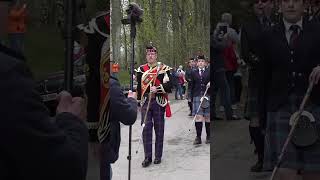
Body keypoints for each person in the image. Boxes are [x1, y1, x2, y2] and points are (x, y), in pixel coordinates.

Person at [0, 2, 88, 179]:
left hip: (18, 32)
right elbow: (63, 169)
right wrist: (70, 121)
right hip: (16, 33)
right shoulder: (8, 76)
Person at [259, 0, 320, 179]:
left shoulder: (318, 30)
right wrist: (262, 117)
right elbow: (263, 78)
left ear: (304, 5)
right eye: (286, 1)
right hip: (280, 106)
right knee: (285, 172)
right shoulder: (268, 35)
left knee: (314, 170)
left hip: (314, 103)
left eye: (296, 1)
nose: (291, 5)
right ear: (280, 6)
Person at [240, 0, 275, 172]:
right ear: (253, 7)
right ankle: (261, 158)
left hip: (278, 77)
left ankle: (276, 156)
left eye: (264, 1)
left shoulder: (279, 22)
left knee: (275, 118)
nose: (261, 5)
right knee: (256, 119)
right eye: (257, 3)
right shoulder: (248, 26)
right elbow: (245, 53)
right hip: (258, 76)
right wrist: (261, 64)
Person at [136, 44, 172, 167]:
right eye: (148, 54)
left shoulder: (164, 69)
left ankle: (158, 156)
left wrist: (157, 88)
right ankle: (147, 157)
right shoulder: (141, 70)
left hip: (158, 101)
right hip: (146, 102)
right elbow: (139, 89)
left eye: (153, 54)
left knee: (159, 129)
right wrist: (138, 102)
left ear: (156, 55)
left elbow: (170, 86)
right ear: (146, 56)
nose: (150, 56)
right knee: (146, 129)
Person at [211, 22, 240, 121]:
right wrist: (225, 39)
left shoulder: (213, 36)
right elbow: (221, 46)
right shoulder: (212, 37)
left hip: (215, 66)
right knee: (225, 90)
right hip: (218, 66)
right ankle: (229, 114)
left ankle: (212, 114)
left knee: (214, 91)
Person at [190, 55, 211, 145]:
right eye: (199, 61)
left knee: (207, 117)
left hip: (208, 96)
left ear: (205, 63)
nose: (201, 63)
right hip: (197, 96)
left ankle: (209, 136)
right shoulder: (193, 73)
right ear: (197, 63)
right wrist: (191, 98)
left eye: (202, 61)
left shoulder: (209, 72)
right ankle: (198, 137)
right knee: (198, 117)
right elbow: (192, 86)